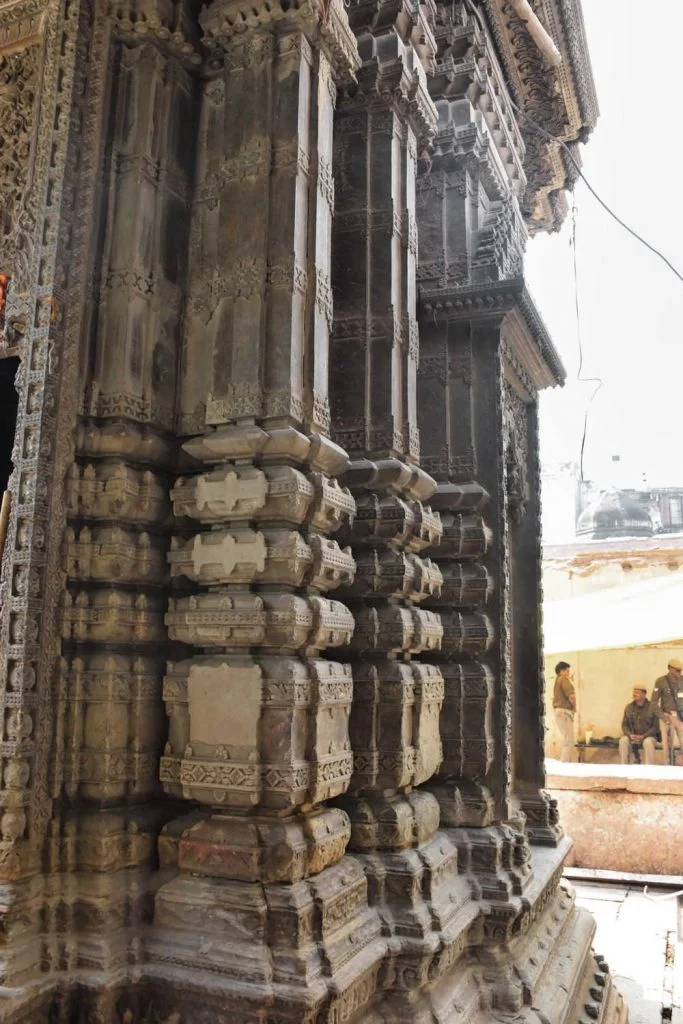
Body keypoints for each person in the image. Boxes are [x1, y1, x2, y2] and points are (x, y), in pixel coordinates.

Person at [652, 658, 683, 765]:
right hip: (666, 716)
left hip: (680, 717)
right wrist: (662, 716)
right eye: (677, 670)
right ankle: (667, 767)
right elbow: (654, 703)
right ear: (670, 668)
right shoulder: (660, 681)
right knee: (666, 746)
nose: (679, 673)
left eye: (680, 671)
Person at [618, 687, 659, 765]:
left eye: (637, 692)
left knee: (648, 743)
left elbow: (655, 727)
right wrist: (630, 735)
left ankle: (649, 770)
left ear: (644, 694)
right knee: (623, 741)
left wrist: (643, 736)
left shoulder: (653, 707)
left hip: (649, 736)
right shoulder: (629, 707)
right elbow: (624, 725)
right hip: (632, 736)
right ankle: (624, 768)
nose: (634, 694)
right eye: (634, 692)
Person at [553, 661, 576, 762]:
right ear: (561, 671)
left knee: (567, 740)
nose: (569, 673)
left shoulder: (557, 680)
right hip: (564, 712)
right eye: (567, 670)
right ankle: (563, 766)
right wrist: (574, 708)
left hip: (559, 712)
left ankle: (564, 764)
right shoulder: (563, 679)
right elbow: (571, 696)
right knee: (569, 741)